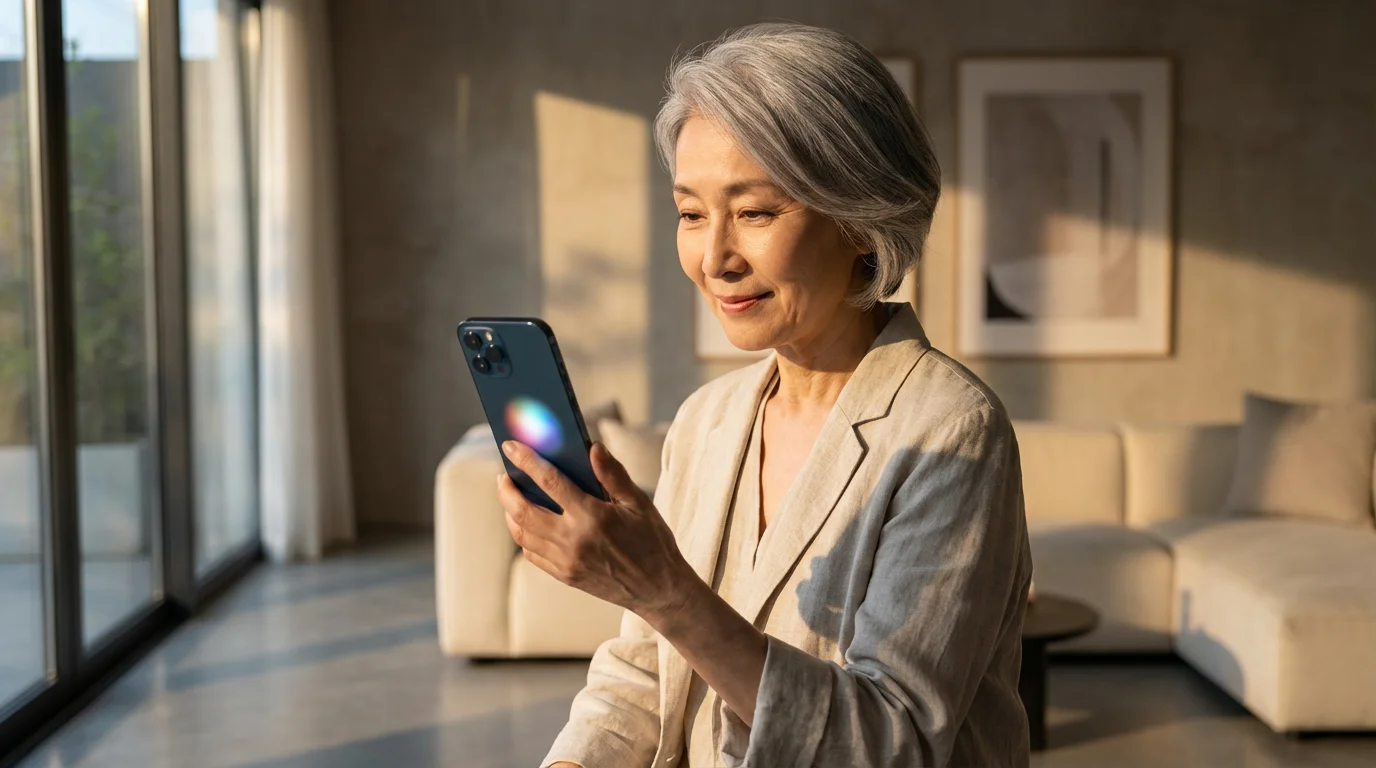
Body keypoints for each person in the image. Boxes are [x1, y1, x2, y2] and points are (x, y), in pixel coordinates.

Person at [497, 22, 1032, 768]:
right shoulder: (707, 419)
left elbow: (893, 743)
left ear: (861, 219)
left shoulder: (951, 430)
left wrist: (662, 590)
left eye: (754, 212)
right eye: (691, 214)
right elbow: (645, 674)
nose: (714, 258)